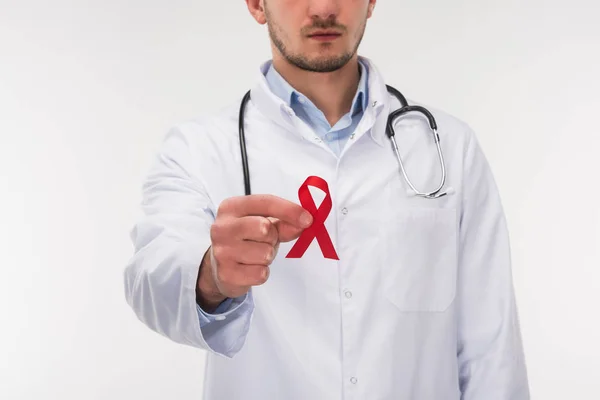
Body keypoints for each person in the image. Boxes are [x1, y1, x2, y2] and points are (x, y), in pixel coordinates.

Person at [123, 0, 530, 398]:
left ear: (372, 2)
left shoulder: (449, 148)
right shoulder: (198, 148)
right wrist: (210, 274)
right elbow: (149, 278)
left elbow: (490, 349)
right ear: (256, 5)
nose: (323, 8)